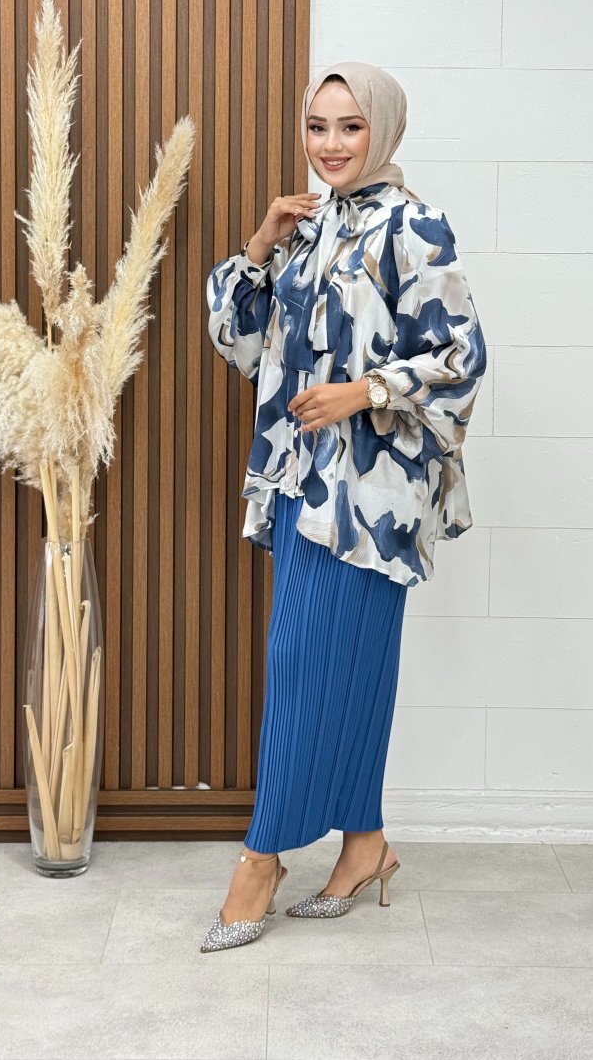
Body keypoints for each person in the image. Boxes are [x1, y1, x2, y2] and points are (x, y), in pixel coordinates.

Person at [200, 61, 486, 952]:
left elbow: (461, 356)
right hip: (299, 481)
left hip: (373, 496)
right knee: (347, 667)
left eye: (350, 126)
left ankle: (261, 858)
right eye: (318, 125)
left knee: (301, 663)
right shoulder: (309, 225)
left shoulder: (415, 225)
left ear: (384, 130)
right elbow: (238, 342)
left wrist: (362, 391)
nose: (330, 143)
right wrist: (260, 244)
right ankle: (365, 844)